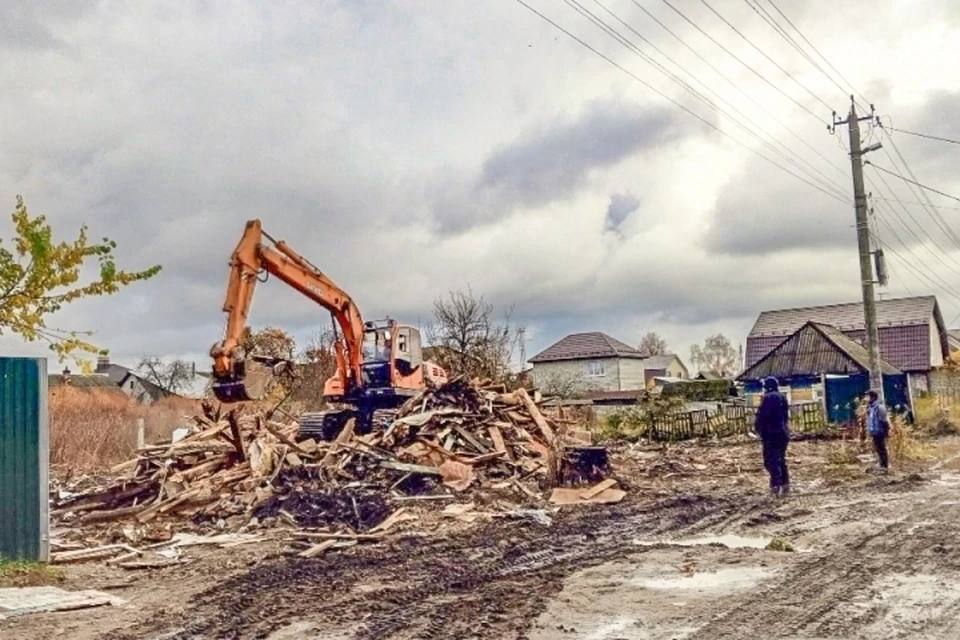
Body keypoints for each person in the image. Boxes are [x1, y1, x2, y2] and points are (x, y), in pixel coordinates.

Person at [754, 376, 791, 496]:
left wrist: (758, 429)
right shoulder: (782, 397)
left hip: (771, 435)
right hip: (783, 433)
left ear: (767, 387)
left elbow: (763, 416)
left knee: (771, 461)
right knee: (780, 459)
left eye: (764, 386)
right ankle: (785, 484)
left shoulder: (768, 398)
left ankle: (775, 486)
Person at [866, 389, 890, 473]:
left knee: (882, 449)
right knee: (878, 449)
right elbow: (871, 421)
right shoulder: (870, 408)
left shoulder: (879, 408)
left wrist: (886, 433)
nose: (866, 399)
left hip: (880, 432)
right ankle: (881, 465)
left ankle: (885, 467)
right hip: (874, 432)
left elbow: (884, 421)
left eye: (868, 397)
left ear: (873, 398)